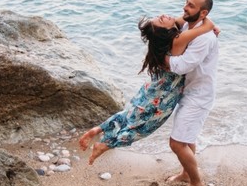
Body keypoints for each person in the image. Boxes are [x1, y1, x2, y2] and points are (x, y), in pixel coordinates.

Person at [78, 13, 217, 165]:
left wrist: (194, 20)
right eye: (160, 20)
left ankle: (98, 130)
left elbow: (186, 19)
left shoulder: (166, 44)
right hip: (161, 97)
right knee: (141, 127)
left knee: (129, 114)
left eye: (159, 16)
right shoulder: (178, 41)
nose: (163, 15)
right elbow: (206, 25)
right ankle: (105, 145)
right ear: (163, 32)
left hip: (152, 89)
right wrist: (211, 25)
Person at [164, 0, 219, 186]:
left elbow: (182, 65)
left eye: (191, 6)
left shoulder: (204, 38)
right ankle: (187, 174)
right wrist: (210, 23)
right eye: (186, 2)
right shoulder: (189, 24)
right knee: (186, 139)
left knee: (177, 143)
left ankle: (197, 184)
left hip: (200, 95)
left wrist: (161, 60)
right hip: (188, 91)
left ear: (202, 12)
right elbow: (173, 23)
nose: (185, 8)